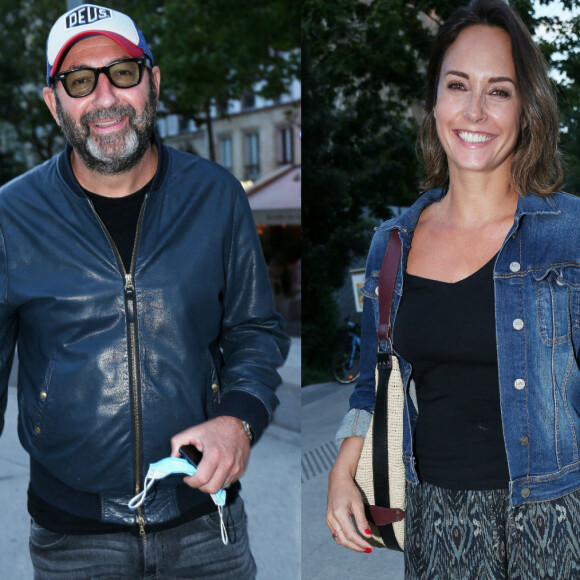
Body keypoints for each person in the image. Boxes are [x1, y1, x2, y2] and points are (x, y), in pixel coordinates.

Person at [0, 4, 289, 578]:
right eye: (79, 80)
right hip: (72, 535)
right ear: (53, 101)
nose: (105, 97)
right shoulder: (11, 216)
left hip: (207, 523)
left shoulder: (217, 195)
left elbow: (255, 331)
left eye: (123, 72)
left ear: (152, 81)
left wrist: (239, 418)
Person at [326, 0, 580, 578]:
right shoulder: (391, 245)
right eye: (458, 85)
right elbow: (373, 383)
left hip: (560, 519)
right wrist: (344, 470)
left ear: (526, 108)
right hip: (438, 524)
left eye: (499, 91)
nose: (475, 110)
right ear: (435, 101)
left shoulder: (570, 233)